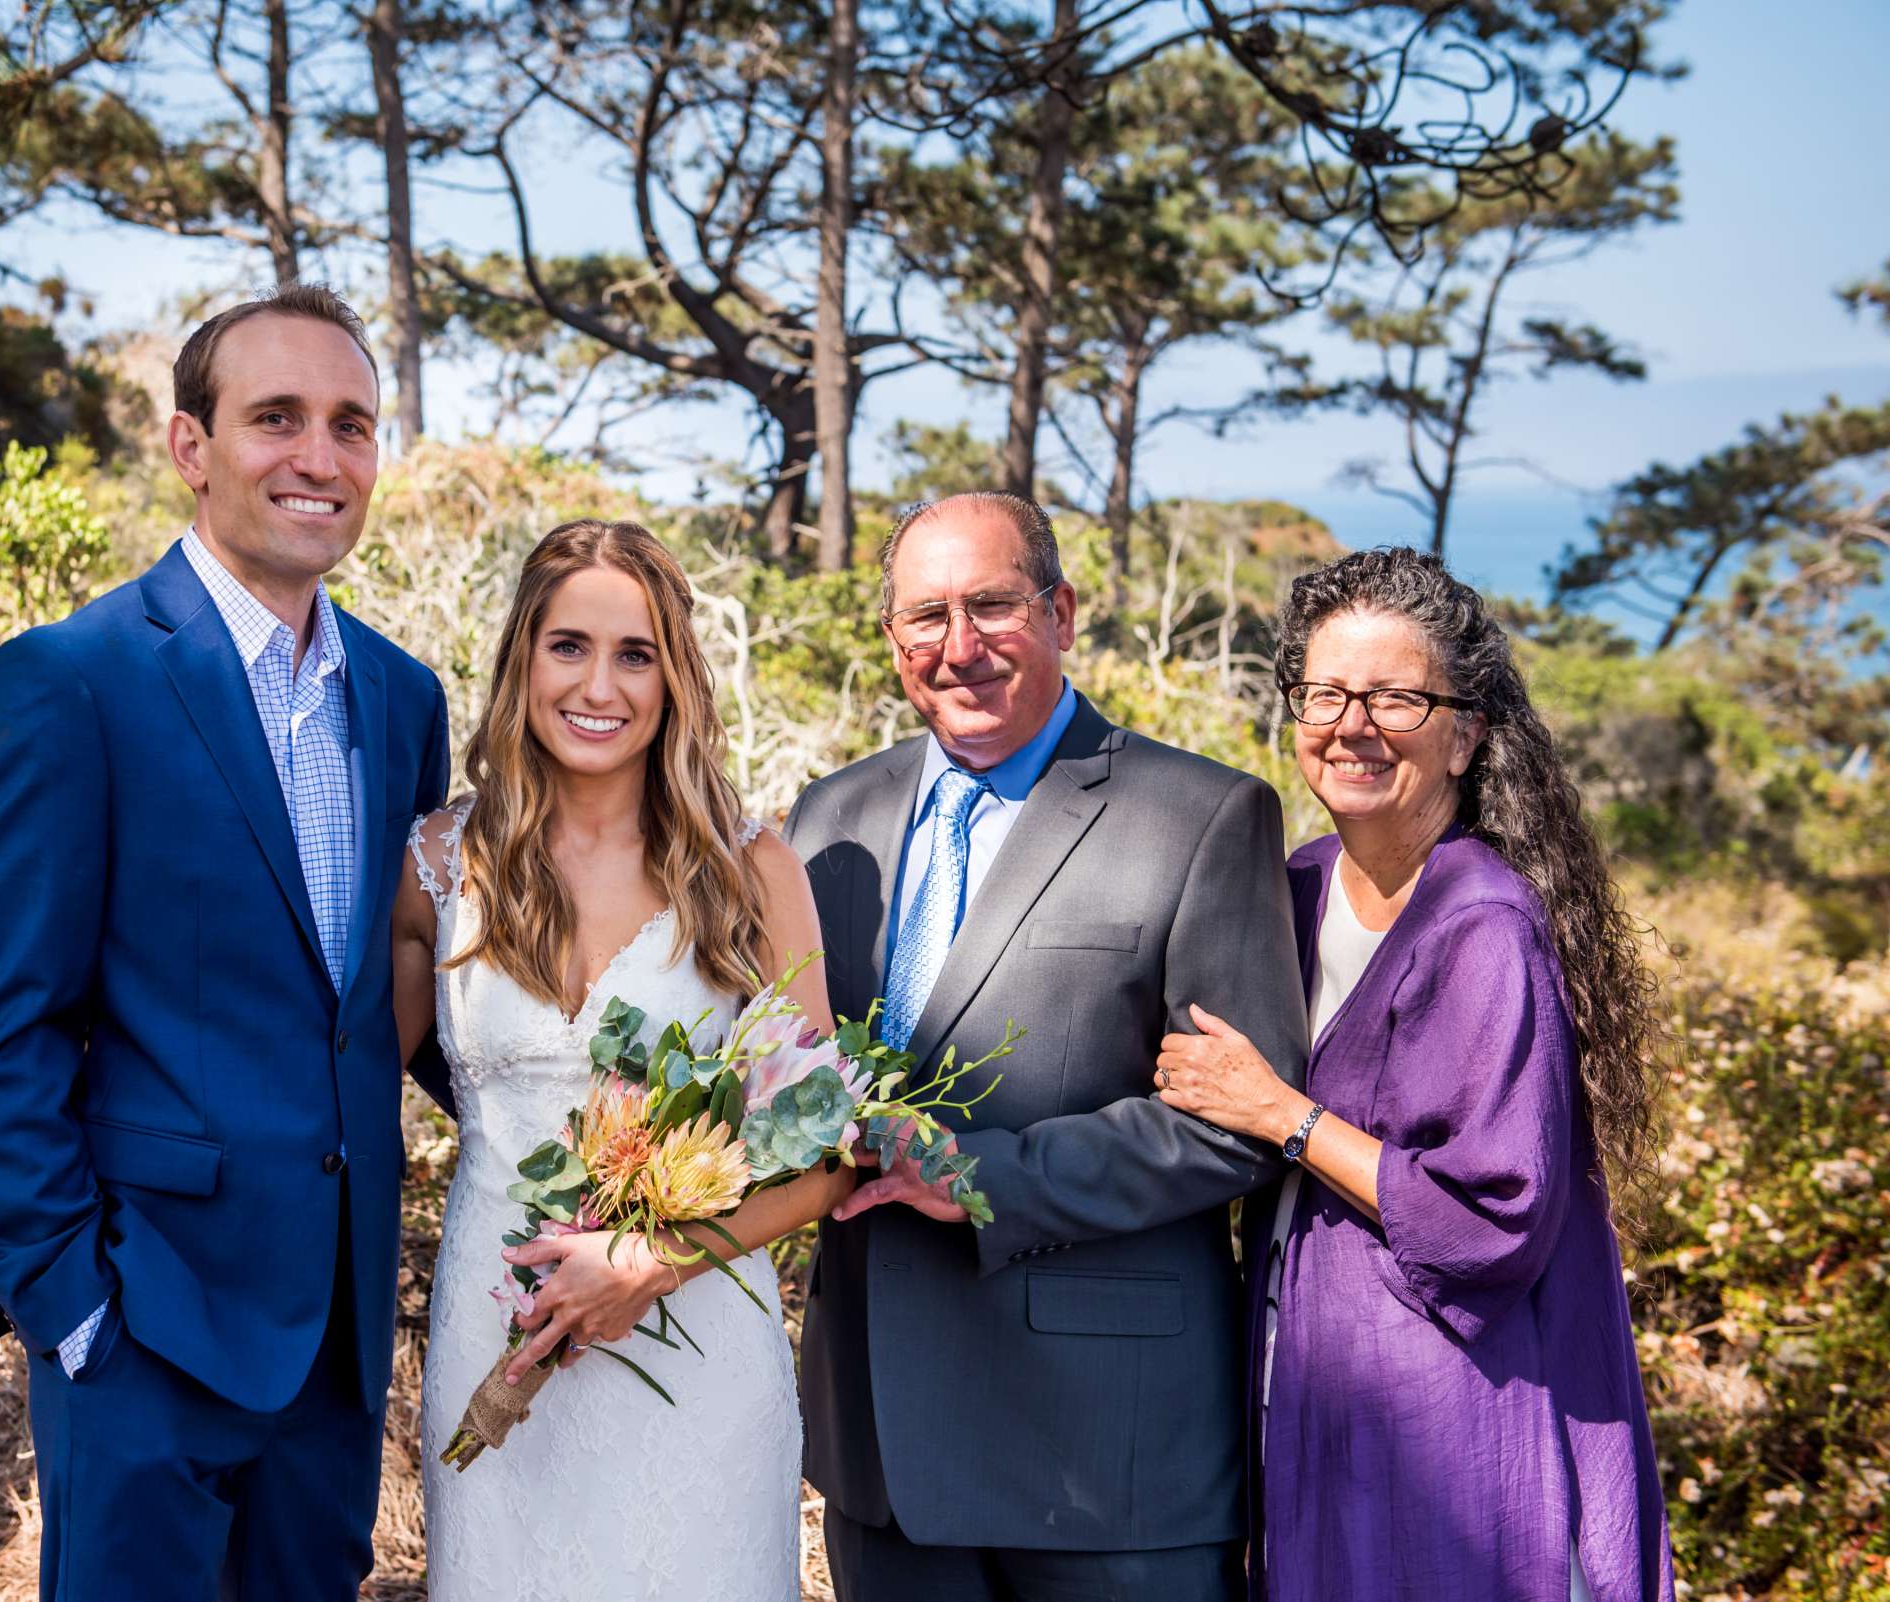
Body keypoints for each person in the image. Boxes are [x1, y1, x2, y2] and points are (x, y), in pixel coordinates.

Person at [0, 285, 450, 1602]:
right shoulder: (72, 680)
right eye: (276, 417)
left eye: (353, 424)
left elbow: (400, 997)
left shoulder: (402, 697)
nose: (320, 457)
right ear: (190, 445)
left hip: (334, 1343)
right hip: (142, 1322)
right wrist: (72, 1307)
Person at [783, 491, 1310, 1602]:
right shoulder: (827, 818)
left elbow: (1239, 1129)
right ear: (891, 639)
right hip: (881, 1450)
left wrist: (979, 1175)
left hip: (1109, 1461)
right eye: (926, 616)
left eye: (994, 607)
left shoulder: (1202, 815)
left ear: (1062, 611)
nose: (959, 647)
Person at [1154, 546, 1675, 1601]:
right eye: (1326, 691)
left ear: (1466, 733)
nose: (1352, 724)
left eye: (1395, 696)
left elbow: (1495, 1214)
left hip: (1451, 1412)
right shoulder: (1292, 888)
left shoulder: (1483, 922)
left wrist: (1284, 1115)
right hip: (1308, 1380)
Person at [389, 518, 855, 1602]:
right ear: (522, 660)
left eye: (635, 654)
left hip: (698, 1347)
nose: (600, 684)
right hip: (496, 1337)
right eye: (569, 646)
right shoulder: (437, 865)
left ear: (674, 678)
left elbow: (830, 1153)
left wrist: (653, 1263)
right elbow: (333, 1094)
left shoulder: (750, 870)